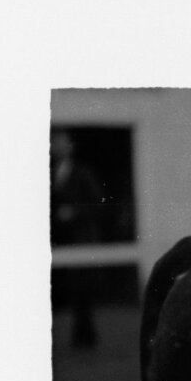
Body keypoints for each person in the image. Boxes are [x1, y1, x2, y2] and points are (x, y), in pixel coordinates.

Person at [50, 129, 105, 348]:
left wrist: (74, 212)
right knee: (68, 290)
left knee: (82, 289)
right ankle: (77, 336)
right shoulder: (51, 173)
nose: (57, 148)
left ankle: (86, 336)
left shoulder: (82, 173)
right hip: (61, 241)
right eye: (54, 144)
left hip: (81, 240)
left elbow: (98, 203)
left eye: (61, 143)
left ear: (70, 146)